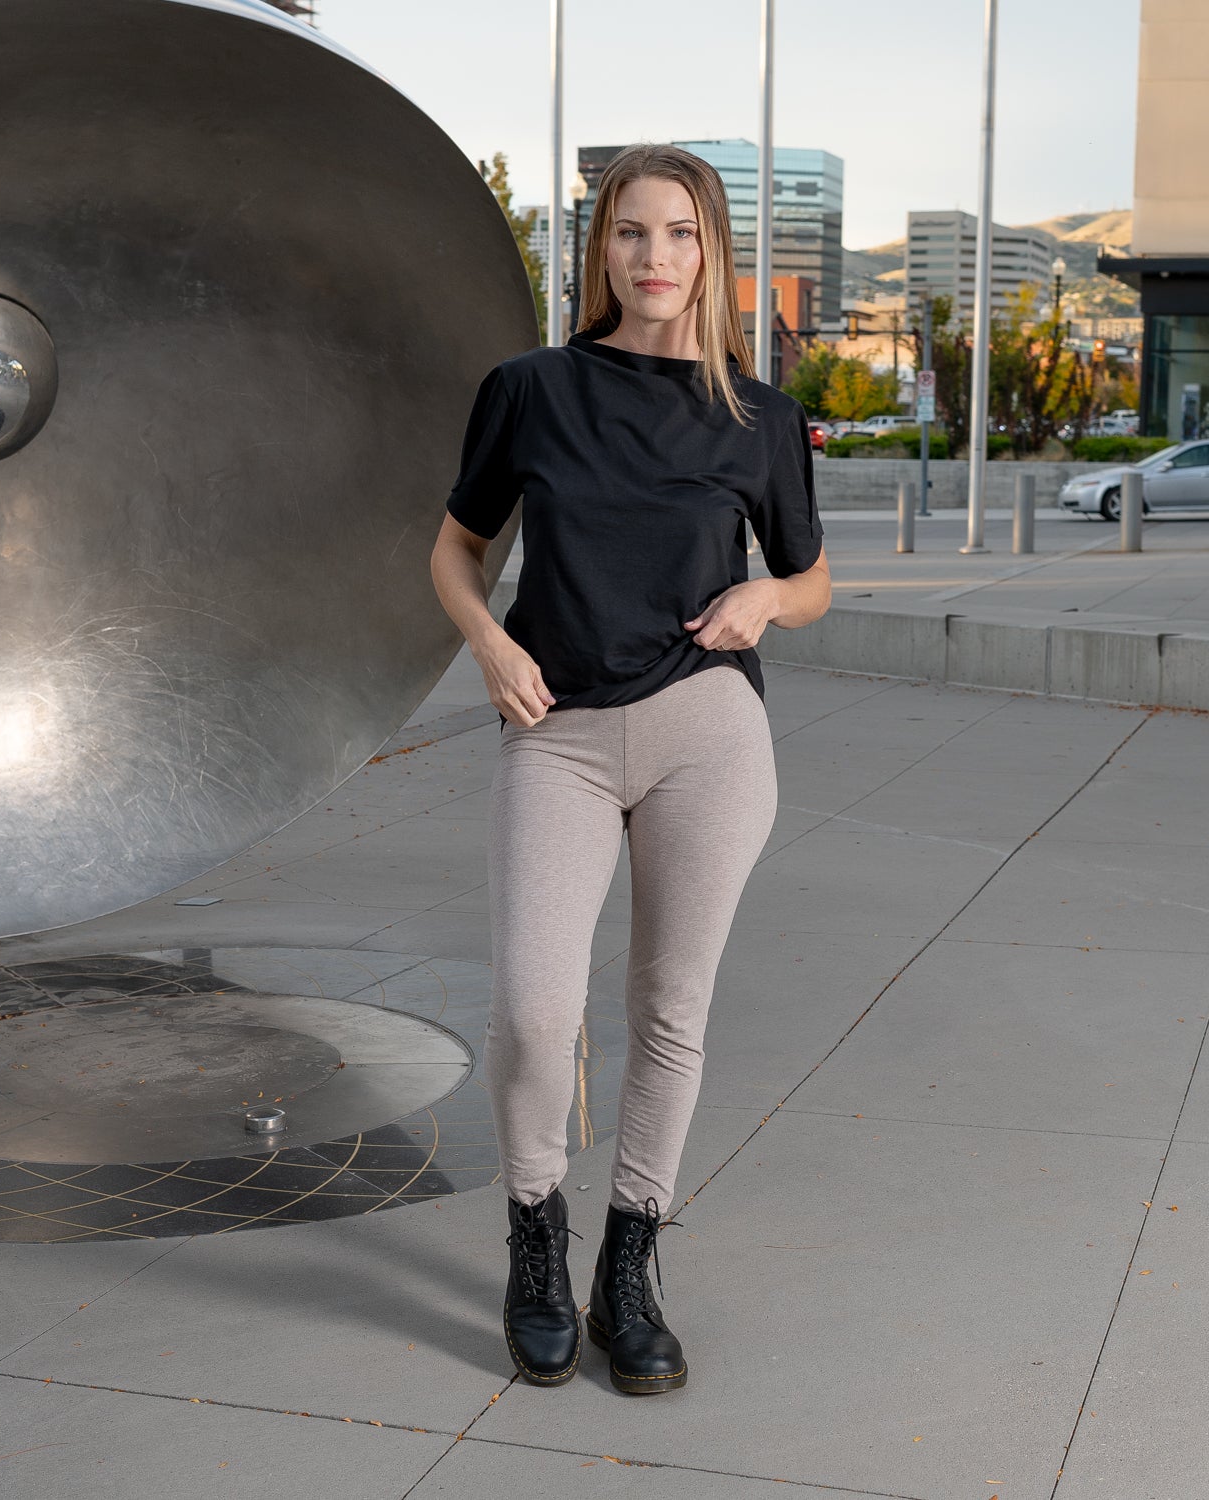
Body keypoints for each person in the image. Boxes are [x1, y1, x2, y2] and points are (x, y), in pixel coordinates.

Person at [428, 142, 831, 1396]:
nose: (654, 257)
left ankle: (630, 1264)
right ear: (599, 249)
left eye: (680, 234)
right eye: (630, 234)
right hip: (558, 734)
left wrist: (767, 597)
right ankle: (538, 1234)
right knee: (537, 1011)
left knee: (670, 1011)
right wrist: (490, 644)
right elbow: (453, 550)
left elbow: (811, 579)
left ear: (712, 251)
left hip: (708, 730)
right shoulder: (531, 388)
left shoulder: (758, 416)